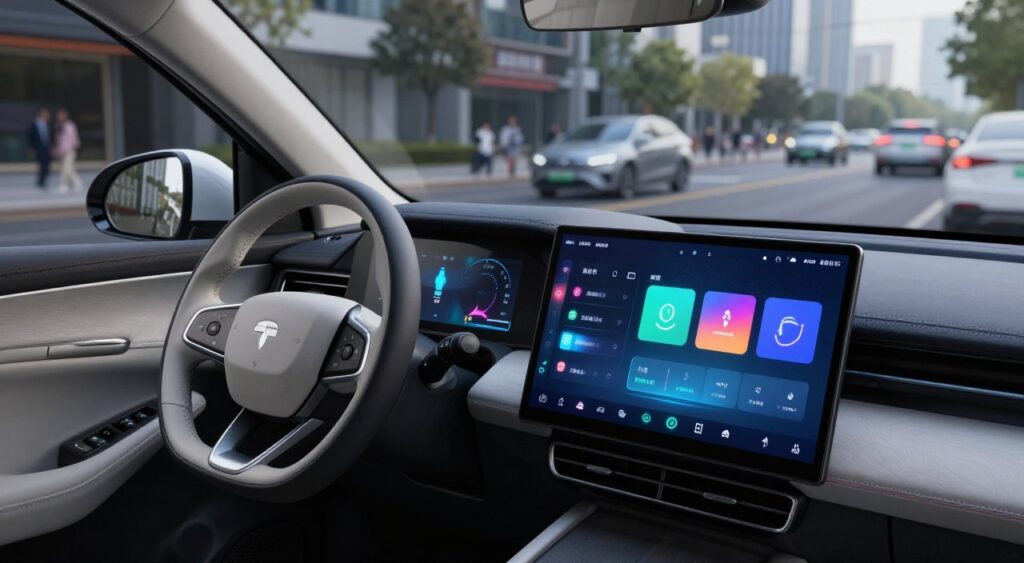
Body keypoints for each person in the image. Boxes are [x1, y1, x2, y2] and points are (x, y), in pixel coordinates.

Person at [53, 109, 83, 193]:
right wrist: (57, 150)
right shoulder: (58, 126)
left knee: (67, 168)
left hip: (69, 150)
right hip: (62, 151)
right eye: (58, 116)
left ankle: (64, 185)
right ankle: (75, 184)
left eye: (61, 115)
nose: (59, 117)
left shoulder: (70, 125)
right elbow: (58, 140)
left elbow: (73, 138)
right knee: (67, 168)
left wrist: (70, 148)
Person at [26, 107, 52, 189]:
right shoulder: (34, 125)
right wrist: (31, 147)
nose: (47, 116)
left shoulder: (48, 124)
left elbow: (51, 136)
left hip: (47, 147)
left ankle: (42, 180)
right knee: (42, 165)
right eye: (45, 114)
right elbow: (30, 136)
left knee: (47, 165)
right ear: (41, 114)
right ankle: (41, 181)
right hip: (38, 148)